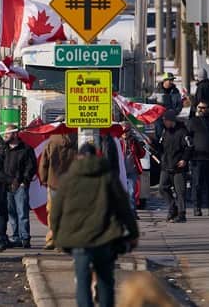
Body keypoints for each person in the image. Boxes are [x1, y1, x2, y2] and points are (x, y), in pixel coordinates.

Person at [49, 143, 139, 307]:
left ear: (78, 157)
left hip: (78, 240)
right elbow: (124, 208)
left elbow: (56, 212)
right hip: (105, 237)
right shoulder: (108, 177)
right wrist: (133, 234)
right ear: (97, 156)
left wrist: (56, 236)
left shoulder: (68, 179)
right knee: (105, 280)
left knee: (82, 281)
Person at [0, 125, 37, 249]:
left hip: (20, 186)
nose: (5, 136)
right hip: (7, 185)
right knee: (12, 213)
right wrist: (7, 180)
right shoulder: (3, 150)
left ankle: (25, 238)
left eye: (8, 133)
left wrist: (24, 181)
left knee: (22, 212)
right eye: (5, 133)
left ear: (15, 134)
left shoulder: (26, 149)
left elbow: (31, 167)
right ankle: (16, 237)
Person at [39, 132, 77, 249]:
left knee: (53, 212)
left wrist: (44, 179)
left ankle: (52, 238)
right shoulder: (78, 140)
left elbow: (44, 162)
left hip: (54, 182)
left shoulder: (52, 141)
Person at [153, 113, 190, 223]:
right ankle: (172, 207)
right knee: (162, 188)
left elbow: (189, 147)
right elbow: (161, 147)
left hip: (179, 167)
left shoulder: (183, 132)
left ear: (172, 121)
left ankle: (181, 214)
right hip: (166, 165)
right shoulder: (165, 132)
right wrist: (152, 143)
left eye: (166, 121)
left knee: (180, 191)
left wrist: (184, 159)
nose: (164, 123)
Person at [120, 129, 146, 211]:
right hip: (121, 171)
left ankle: (132, 212)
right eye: (123, 131)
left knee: (131, 192)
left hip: (132, 170)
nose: (124, 133)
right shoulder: (118, 142)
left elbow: (142, 154)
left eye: (126, 131)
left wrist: (140, 146)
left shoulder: (134, 142)